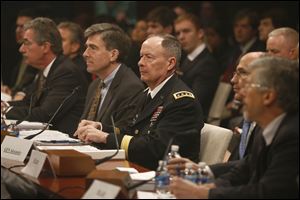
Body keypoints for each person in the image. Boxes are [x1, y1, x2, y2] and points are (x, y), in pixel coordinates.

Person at [168, 56, 299, 198]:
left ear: (268, 96)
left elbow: (268, 192)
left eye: (249, 86)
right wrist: (209, 186)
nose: (241, 93)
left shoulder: (293, 136)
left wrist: (203, 194)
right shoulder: (267, 128)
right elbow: (246, 169)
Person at [74, 34, 204, 170]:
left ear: (170, 63)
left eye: (149, 57)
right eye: (141, 56)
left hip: (167, 177)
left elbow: (155, 148)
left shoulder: (182, 101)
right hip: (140, 168)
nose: (140, 62)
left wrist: (105, 137)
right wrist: (99, 128)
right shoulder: (148, 93)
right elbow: (131, 131)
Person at [2, 17, 88, 135]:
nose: (21, 49)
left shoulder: (66, 72)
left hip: (65, 143)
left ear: (45, 47)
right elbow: (28, 102)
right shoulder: (47, 69)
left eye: (26, 43)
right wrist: (5, 105)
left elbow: (45, 114)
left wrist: (6, 110)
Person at [76, 23, 144, 130]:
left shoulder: (131, 87)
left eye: (93, 48)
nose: (85, 54)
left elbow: (124, 131)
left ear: (113, 55)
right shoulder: (95, 85)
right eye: (86, 47)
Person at [174, 13, 220, 119]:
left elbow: (194, 101)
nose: (181, 37)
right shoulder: (187, 59)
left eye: (186, 31)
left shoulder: (207, 63)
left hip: (192, 121)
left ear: (200, 33)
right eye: (178, 33)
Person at [1, 9, 38, 100]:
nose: (17, 30)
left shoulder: (38, 57)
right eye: (17, 26)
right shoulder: (15, 54)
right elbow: (19, 86)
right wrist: (10, 91)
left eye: (23, 27)